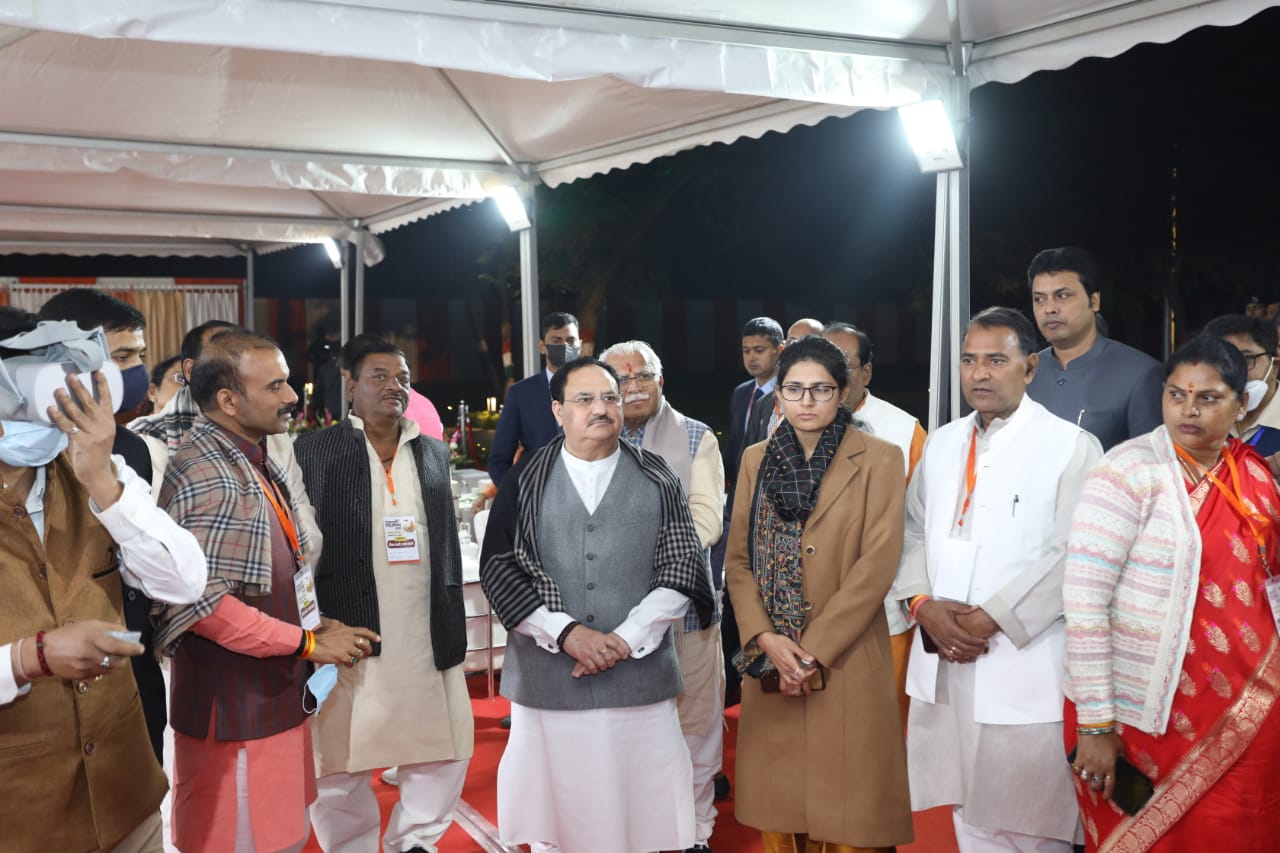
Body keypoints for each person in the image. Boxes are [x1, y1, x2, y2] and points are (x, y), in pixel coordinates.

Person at [156, 330, 379, 853]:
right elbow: (201, 605)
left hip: (271, 697)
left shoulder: (250, 455)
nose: (292, 396)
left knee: (281, 835)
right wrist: (306, 644)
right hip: (234, 715)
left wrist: (315, 625)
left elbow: (269, 574)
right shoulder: (209, 470)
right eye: (275, 385)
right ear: (229, 400)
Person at [479, 356, 714, 853]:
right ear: (558, 410)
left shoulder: (658, 477)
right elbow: (500, 567)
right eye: (584, 400)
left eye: (610, 397)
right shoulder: (525, 478)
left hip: (638, 679)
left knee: (641, 817)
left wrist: (624, 640)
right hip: (548, 681)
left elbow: (680, 567)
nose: (601, 408)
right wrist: (567, 634)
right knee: (555, 817)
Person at [0, 305, 207, 853]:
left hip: (126, 800)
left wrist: (101, 480)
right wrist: (26, 658)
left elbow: (184, 582)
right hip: (20, 818)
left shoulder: (93, 471)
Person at [895, 306, 1103, 852]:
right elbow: (911, 530)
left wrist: (991, 618)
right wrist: (921, 605)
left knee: (1033, 823)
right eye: (969, 360)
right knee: (968, 814)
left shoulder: (1070, 446)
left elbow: (1075, 554)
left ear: (1029, 367)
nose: (979, 374)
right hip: (944, 654)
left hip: (1024, 657)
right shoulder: (940, 444)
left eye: (995, 360)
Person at [1064, 335, 1280, 851]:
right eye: (1176, 394)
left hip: (1250, 707)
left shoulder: (1254, 474)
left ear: (1241, 403)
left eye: (1208, 397)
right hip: (1142, 716)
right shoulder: (1127, 472)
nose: (1189, 410)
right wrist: (1095, 725)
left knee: (1240, 831)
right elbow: (1084, 602)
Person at [725, 335, 911, 852]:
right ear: (777, 396)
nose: (807, 402)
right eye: (795, 389)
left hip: (846, 657)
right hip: (771, 661)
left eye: (821, 390)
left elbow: (877, 567)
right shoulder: (755, 460)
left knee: (848, 816)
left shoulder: (880, 458)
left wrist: (808, 654)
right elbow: (738, 560)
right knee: (782, 810)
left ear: (844, 392)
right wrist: (767, 639)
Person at [295, 337, 473, 853]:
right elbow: (299, 546)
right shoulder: (314, 450)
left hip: (425, 627)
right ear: (349, 384)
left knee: (444, 745)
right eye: (379, 376)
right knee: (338, 758)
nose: (394, 386)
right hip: (346, 630)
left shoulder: (434, 452)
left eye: (402, 378)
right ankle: (349, 845)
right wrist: (312, 622)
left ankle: (415, 841)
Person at [35, 289, 173, 761]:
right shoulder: (26, 450)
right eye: (122, 357)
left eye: (140, 356)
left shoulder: (133, 449)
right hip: (39, 679)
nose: (135, 370)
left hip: (129, 660)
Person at [600, 340, 725, 853]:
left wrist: (652, 565)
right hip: (611, 615)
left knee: (694, 723)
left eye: (642, 376)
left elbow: (707, 519)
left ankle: (696, 828)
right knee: (629, 730)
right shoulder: (590, 437)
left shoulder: (696, 437)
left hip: (684, 612)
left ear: (661, 379)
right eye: (620, 380)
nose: (632, 388)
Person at [820, 322, 927, 727]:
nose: (830, 373)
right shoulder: (792, 425)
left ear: (865, 373)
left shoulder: (905, 431)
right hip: (813, 608)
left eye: (843, 364)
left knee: (884, 722)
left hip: (886, 607)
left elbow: (919, 525)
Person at [1026, 247, 1162, 450]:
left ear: (1094, 301)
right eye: (1039, 299)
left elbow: (1150, 470)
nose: (1049, 308)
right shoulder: (1024, 372)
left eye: (1062, 296)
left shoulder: (1140, 375)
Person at [486, 312, 579, 487]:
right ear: (542, 346)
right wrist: (518, 495)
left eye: (571, 340)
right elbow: (498, 460)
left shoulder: (596, 388)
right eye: (557, 341)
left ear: (579, 344)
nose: (565, 346)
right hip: (540, 496)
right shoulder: (521, 394)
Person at [1201, 313, 1280, 455]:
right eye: (1220, 362)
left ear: (1275, 366)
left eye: (1247, 359)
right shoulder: (1199, 421)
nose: (1234, 371)